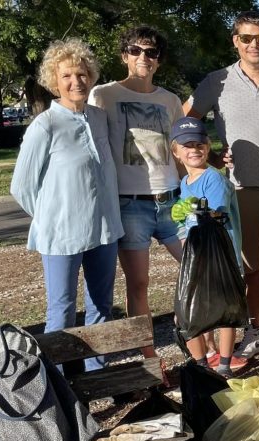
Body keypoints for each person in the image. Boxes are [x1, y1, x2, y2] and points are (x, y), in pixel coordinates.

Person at [184, 11, 259, 364]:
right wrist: (211, 159)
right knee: (252, 269)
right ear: (236, 41)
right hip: (241, 191)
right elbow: (185, 124)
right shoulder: (216, 82)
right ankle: (256, 329)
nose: (254, 44)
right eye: (247, 38)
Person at [11, 39, 123, 372]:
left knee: (101, 305)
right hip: (61, 235)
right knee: (61, 309)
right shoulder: (44, 125)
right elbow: (22, 187)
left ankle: (96, 373)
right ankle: (59, 383)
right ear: (54, 81)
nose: (76, 82)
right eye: (67, 76)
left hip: (104, 230)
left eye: (83, 74)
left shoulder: (100, 118)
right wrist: (52, 216)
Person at [88, 26, 185, 360]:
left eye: (152, 52)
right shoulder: (103, 95)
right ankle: (149, 357)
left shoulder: (170, 100)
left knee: (197, 269)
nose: (144, 57)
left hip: (171, 199)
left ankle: (203, 341)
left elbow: (180, 151)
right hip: (129, 204)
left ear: (159, 60)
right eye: (136, 50)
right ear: (124, 55)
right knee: (139, 283)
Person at [169, 116, 244, 376]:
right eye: (187, 145)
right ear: (176, 152)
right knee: (188, 310)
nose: (194, 150)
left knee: (223, 310)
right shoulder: (185, 182)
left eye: (200, 144)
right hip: (197, 255)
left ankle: (224, 365)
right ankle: (201, 365)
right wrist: (181, 216)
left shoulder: (214, 179)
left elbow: (216, 214)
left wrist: (191, 208)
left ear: (208, 146)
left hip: (220, 255)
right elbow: (186, 222)